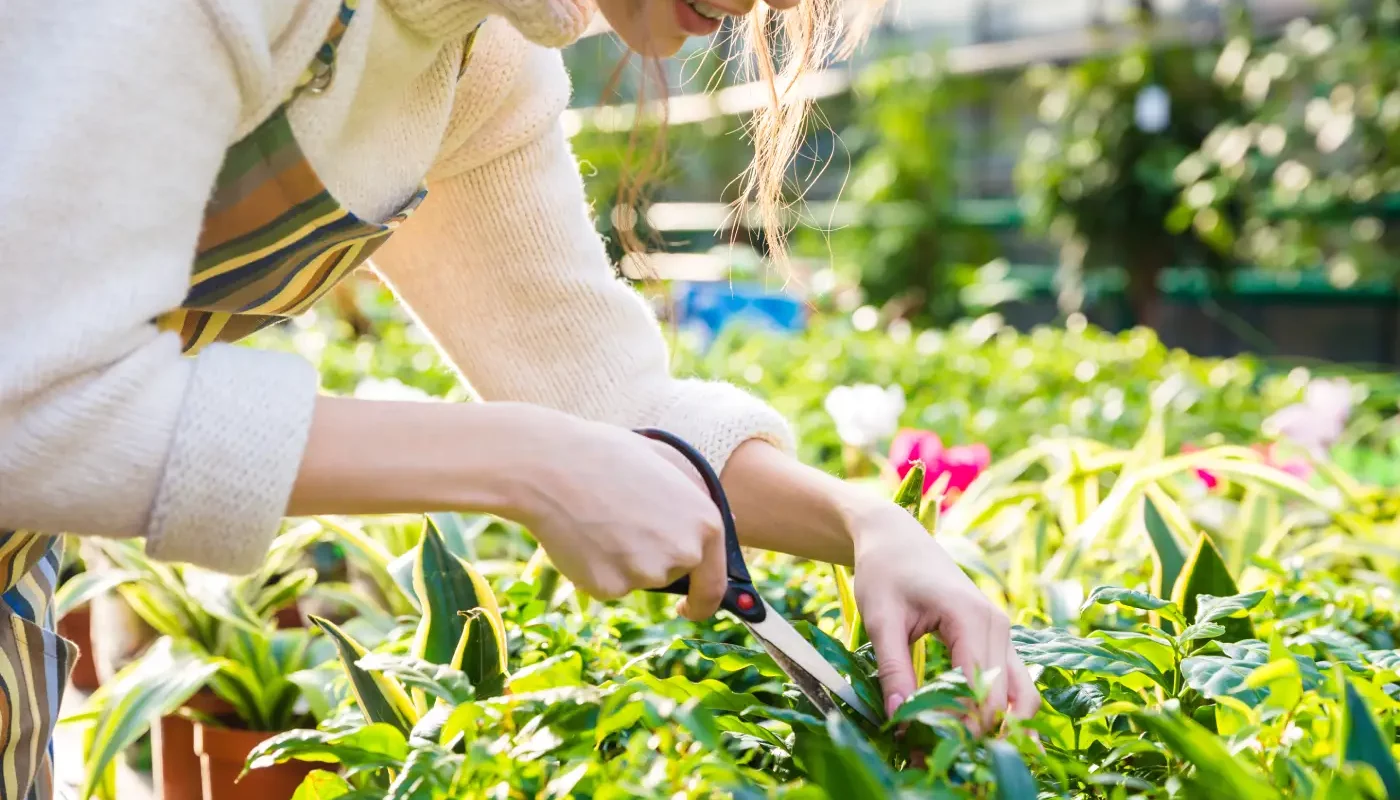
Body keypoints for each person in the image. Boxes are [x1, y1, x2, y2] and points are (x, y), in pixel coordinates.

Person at [1, 0, 1039, 794]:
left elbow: (602, 390)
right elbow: (32, 399)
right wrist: (524, 463)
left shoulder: (477, 58)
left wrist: (866, 524)